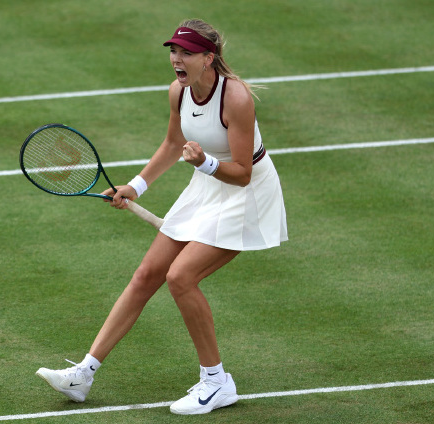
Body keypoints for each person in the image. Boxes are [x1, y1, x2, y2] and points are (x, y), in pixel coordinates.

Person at [36, 18, 287, 415]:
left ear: (209, 58)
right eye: (174, 51)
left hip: (247, 194)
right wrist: (136, 186)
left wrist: (204, 163)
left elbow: (242, 174)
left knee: (181, 277)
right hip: (206, 186)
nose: (176, 59)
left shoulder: (236, 98)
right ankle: (84, 373)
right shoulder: (178, 91)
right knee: (146, 274)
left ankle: (216, 382)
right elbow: (173, 143)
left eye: (187, 52)